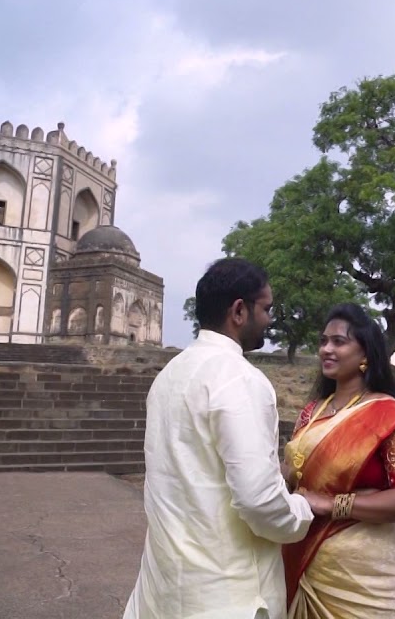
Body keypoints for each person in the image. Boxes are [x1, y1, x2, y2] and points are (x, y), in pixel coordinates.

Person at [123, 257, 333, 619]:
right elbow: (258, 502)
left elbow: (196, 470)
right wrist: (304, 507)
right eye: (266, 309)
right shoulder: (239, 379)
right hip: (228, 592)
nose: (269, 319)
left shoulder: (170, 376)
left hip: (167, 584)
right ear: (239, 311)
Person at [281, 303, 395, 618]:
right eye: (323, 341)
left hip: (369, 579)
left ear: (365, 353)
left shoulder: (390, 418)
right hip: (307, 561)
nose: (327, 349)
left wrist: (333, 504)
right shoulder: (311, 412)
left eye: (339, 342)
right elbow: (296, 474)